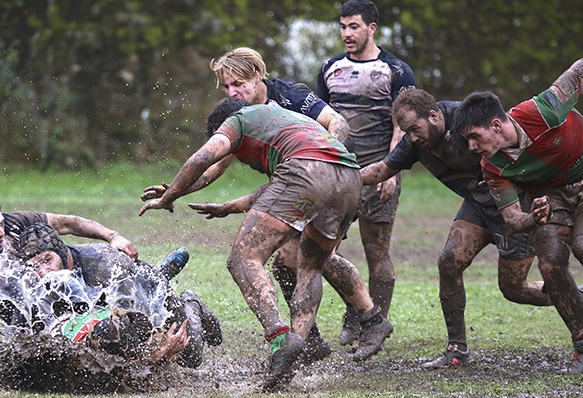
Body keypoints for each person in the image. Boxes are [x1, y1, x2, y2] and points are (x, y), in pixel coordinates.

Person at [143, 46, 387, 361]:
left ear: (258, 75)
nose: (233, 91)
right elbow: (218, 167)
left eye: (238, 83)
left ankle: (289, 339)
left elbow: (336, 121)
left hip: (316, 172)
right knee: (305, 261)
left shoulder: (283, 99)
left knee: (248, 258)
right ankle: (337, 330)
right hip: (336, 178)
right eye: (227, 87)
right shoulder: (250, 116)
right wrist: (182, 190)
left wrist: (325, 158)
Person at [361, 88, 553, 368]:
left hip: (514, 208)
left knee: (514, 288)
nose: (413, 137)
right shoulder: (415, 142)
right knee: (449, 262)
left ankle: (572, 295)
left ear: (435, 116)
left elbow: (515, 143)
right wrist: (346, 176)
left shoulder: (466, 121)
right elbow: (380, 171)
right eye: (407, 131)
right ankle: (457, 350)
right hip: (477, 206)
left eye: (415, 129)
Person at [453, 57, 583, 372]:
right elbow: (512, 218)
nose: (472, 146)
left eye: (475, 137)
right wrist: (535, 219)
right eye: (467, 140)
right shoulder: (492, 165)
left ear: (496, 125)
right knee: (551, 263)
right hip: (553, 195)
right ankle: (581, 343)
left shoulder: (540, 111)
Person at [317, 0, 416, 343]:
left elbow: (402, 126)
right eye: (343, 26)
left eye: (354, 26)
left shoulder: (396, 70)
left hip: (379, 173)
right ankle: (358, 310)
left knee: (377, 251)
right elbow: (320, 121)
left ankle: (376, 326)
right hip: (338, 175)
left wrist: (390, 171)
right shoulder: (330, 68)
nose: (346, 33)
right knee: (325, 248)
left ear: (372, 28)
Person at [16, 222, 223, 369]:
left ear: (62, 254)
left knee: (190, 358)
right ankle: (160, 271)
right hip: (110, 302)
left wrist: (160, 352)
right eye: (34, 266)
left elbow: (142, 329)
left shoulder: (104, 268)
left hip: (148, 293)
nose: (43, 272)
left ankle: (191, 302)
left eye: (46, 261)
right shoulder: (35, 281)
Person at [0, 193, 139, 342]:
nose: (2, 232)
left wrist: (113, 236)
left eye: (1, 224)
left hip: (68, 282)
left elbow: (67, 223)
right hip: (33, 322)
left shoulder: (13, 223)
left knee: (124, 280)